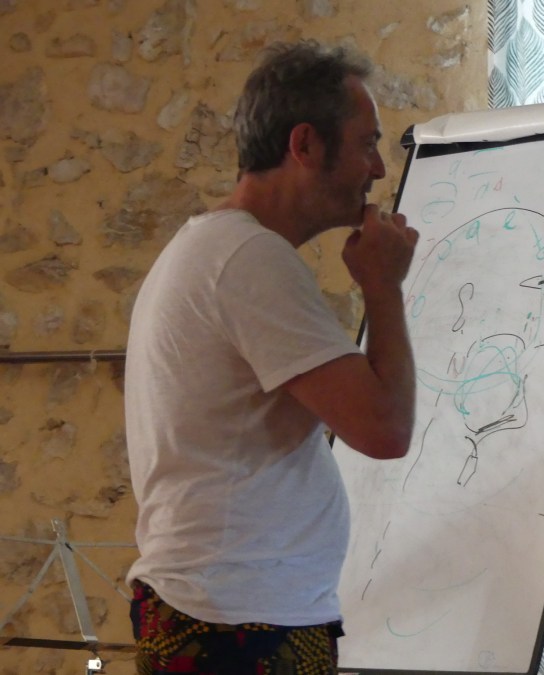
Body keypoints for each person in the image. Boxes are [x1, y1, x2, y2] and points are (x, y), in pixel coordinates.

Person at [124, 40, 419, 675]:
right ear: (305, 144)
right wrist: (383, 288)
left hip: (233, 613)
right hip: (236, 624)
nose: (377, 169)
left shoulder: (219, 248)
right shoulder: (248, 259)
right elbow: (385, 429)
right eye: (367, 143)